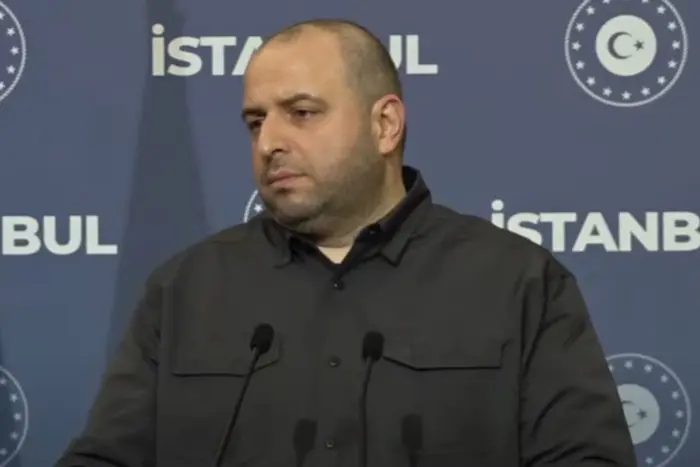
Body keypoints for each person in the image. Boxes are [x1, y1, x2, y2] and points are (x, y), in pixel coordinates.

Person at [54, 18, 636, 467]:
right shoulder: (185, 289)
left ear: (385, 125)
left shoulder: (517, 282)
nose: (269, 142)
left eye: (301, 113)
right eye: (256, 122)